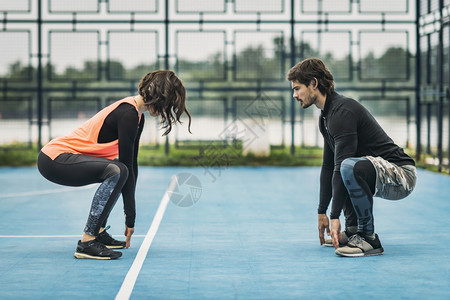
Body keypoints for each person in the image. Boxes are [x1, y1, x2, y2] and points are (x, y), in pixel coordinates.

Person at [37, 70, 191, 260]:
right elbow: (125, 167)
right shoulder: (127, 113)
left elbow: (132, 166)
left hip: (61, 158)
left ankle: (99, 232)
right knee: (117, 170)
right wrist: (130, 217)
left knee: (120, 169)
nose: (165, 110)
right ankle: (87, 242)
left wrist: (130, 217)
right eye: (167, 103)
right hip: (55, 159)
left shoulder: (137, 116)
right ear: (157, 96)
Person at [287, 58, 417, 257]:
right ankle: (354, 230)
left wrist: (334, 216)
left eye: (297, 88)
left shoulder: (342, 111)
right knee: (345, 166)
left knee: (348, 166)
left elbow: (341, 167)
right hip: (376, 171)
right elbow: (328, 166)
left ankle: (368, 237)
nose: (294, 95)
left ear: (313, 83)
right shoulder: (326, 117)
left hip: (402, 175)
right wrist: (321, 211)